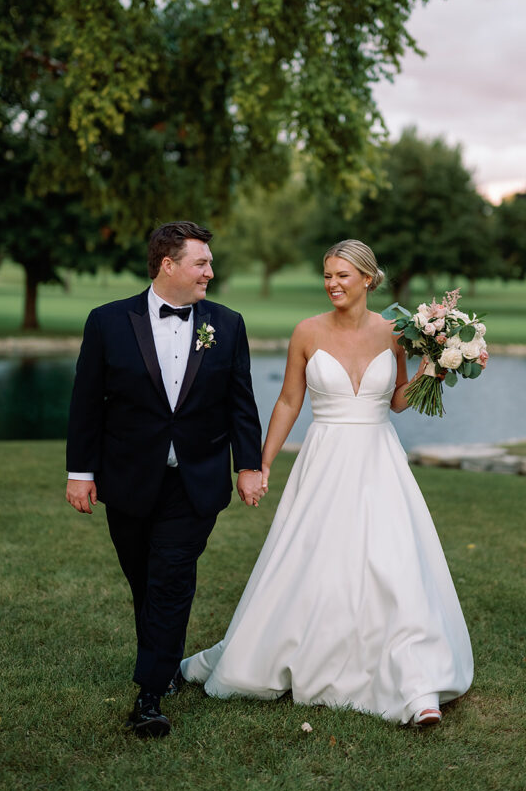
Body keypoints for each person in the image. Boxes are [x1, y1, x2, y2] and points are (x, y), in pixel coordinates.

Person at [181, 239, 473, 727]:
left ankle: (416, 682)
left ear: (367, 279)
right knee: (315, 561)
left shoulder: (395, 332)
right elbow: (288, 403)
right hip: (325, 460)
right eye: (327, 275)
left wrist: (434, 368)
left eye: (342, 275)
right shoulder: (307, 332)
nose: (333, 283)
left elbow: (397, 401)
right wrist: (260, 464)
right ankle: (294, 654)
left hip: (379, 460)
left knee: (394, 563)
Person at [65, 221, 264, 737]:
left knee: (172, 579)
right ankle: (164, 663)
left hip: (195, 481)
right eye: (201, 263)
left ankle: (149, 696)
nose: (210, 273)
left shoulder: (227, 323)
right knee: (145, 581)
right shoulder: (108, 322)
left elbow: (241, 402)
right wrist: (80, 473)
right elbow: (87, 404)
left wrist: (249, 464)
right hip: (128, 479)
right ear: (167, 265)